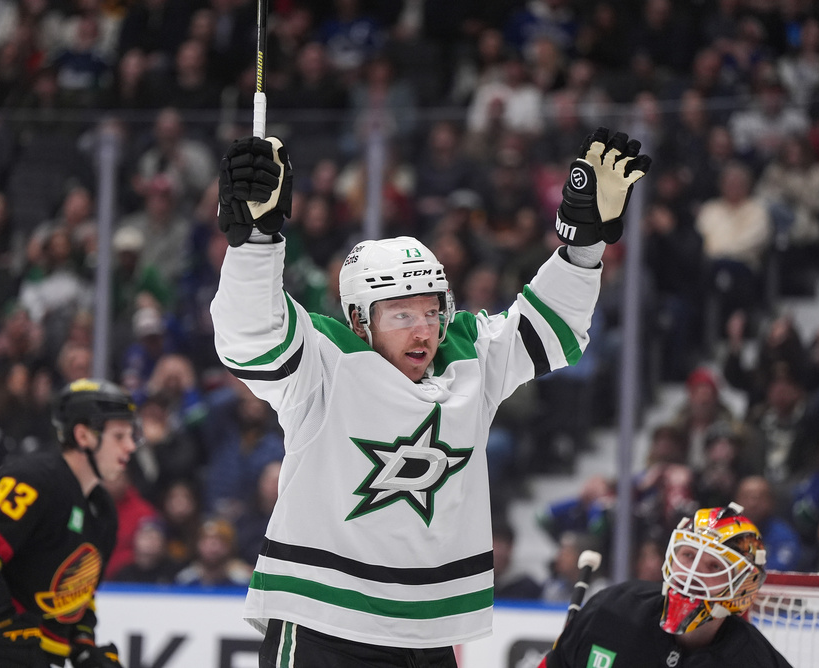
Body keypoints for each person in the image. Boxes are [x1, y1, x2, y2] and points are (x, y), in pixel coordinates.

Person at [211, 127, 649, 664]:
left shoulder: (468, 357)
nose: (423, 330)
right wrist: (256, 242)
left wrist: (583, 244)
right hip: (323, 623)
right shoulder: (324, 363)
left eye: (432, 310)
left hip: (428, 635)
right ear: (359, 321)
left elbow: (553, 327)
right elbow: (251, 336)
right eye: (401, 314)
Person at [0, 379, 136, 668]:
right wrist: (4, 621)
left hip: (26, 653)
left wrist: (83, 646)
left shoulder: (102, 512)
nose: (131, 446)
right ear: (83, 435)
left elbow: (78, 592)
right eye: (119, 436)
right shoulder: (33, 481)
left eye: (132, 436)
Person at [538, 503, 792, 668]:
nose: (691, 573)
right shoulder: (610, 609)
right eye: (688, 555)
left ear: (742, 584)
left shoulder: (756, 661)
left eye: (714, 566)